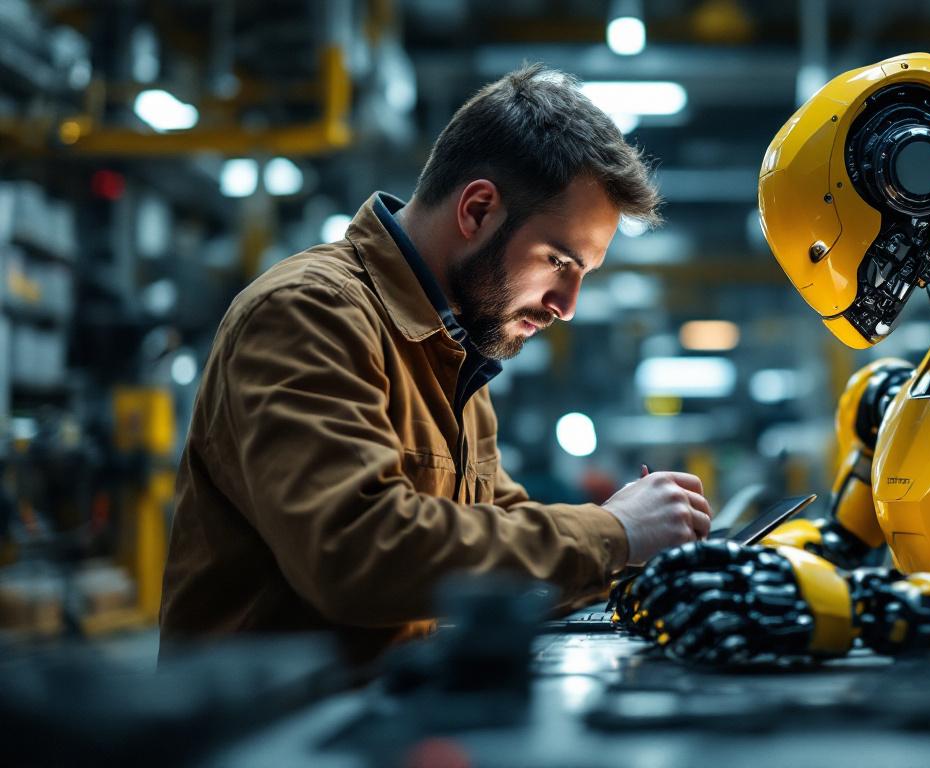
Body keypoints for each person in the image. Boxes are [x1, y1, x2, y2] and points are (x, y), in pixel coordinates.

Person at [159, 64, 713, 664]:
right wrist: (614, 534)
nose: (568, 307)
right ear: (477, 211)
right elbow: (356, 552)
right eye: (559, 261)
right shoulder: (309, 313)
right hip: (264, 738)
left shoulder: (455, 350)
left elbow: (495, 540)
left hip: (368, 721)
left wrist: (640, 553)